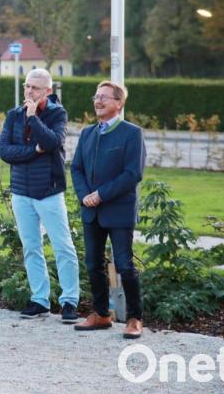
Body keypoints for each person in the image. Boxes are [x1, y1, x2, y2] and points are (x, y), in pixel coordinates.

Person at [0, 68, 80, 323]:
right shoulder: (13, 115)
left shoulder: (58, 114)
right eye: (26, 86)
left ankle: (69, 301)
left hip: (49, 192)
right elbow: (4, 151)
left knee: (62, 246)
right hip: (21, 192)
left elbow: (53, 142)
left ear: (48, 91)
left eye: (35, 87)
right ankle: (40, 300)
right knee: (31, 247)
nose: (29, 91)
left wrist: (33, 118)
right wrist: (34, 150)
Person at [71, 80, 146, 339]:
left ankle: (135, 318)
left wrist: (100, 195)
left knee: (124, 265)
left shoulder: (132, 133)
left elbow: (132, 173)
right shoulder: (87, 133)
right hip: (91, 210)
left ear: (119, 103)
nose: (98, 101)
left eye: (104, 97)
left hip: (118, 210)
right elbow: (76, 168)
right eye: (96, 96)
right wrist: (85, 197)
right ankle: (101, 314)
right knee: (93, 264)